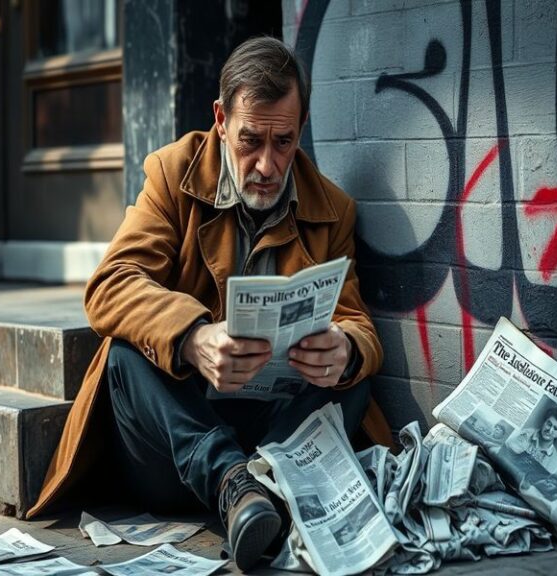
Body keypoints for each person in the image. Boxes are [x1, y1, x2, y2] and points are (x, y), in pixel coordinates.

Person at [26, 37, 385, 572]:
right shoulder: (174, 175)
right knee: (124, 356)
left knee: (353, 378)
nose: (267, 164)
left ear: (301, 127)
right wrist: (193, 338)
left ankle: (260, 487)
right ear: (220, 119)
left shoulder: (331, 209)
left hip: (269, 436)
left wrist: (345, 349)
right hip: (176, 447)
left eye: (283, 142)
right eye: (250, 141)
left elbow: (357, 323)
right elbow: (110, 285)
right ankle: (234, 484)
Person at [507, 408, 557, 472]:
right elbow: (508, 453)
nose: (550, 430)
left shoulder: (555, 461)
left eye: (555, 428)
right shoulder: (526, 434)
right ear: (544, 422)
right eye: (549, 424)